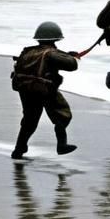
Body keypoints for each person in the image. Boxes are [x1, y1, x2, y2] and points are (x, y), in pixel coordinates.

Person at [10, 21, 80, 158]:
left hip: (25, 88)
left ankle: (19, 149)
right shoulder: (51, 54)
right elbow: (72, 65)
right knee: (63, 114)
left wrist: (65, 54)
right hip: (44, 89)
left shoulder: (28, 51)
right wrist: (70, 57)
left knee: (30, 120)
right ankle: (61, 145)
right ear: (56, 38)